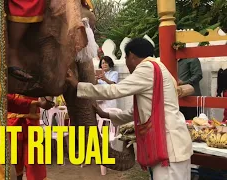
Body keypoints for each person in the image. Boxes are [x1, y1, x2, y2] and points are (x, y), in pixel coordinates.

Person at [66, 38, 193, 180]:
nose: (126, 63)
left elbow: (114, 91)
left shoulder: (147, 68)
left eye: (126, 58)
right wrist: (105, 114)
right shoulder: (159, 68)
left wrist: (78, 85)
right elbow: (136, 112)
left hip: (169, 146)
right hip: (173, 144)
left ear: (131, 56)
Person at [7, 94, 54, 180]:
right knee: (14, 161)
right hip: (11, 121)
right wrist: (38, 103)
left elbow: (48, 92)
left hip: (31, 121)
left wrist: (47, 99)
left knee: (34, 160)